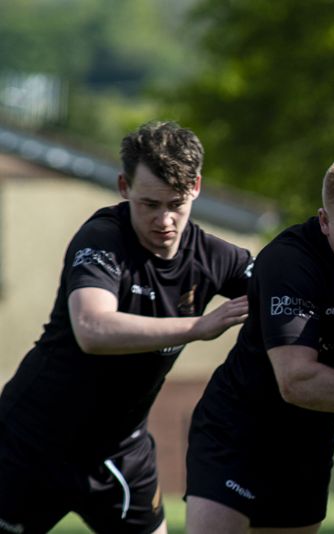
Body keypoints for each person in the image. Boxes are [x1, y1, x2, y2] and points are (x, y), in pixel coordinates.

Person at [0, 121, 254, 533]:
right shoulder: (101, 240)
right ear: (123, 186)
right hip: (32, 443)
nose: (164, 220)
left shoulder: (211, 256)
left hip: (121, 454)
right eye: (149, 205)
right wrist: (197, 326)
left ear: (196, 188)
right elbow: (92, 329)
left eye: (175, 204)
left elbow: (284, 290)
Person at [184, 154, 334, 533]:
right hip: (238, 431)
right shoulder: (289, 262)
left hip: (310, 438)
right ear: (324, 221)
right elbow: (296, 380)